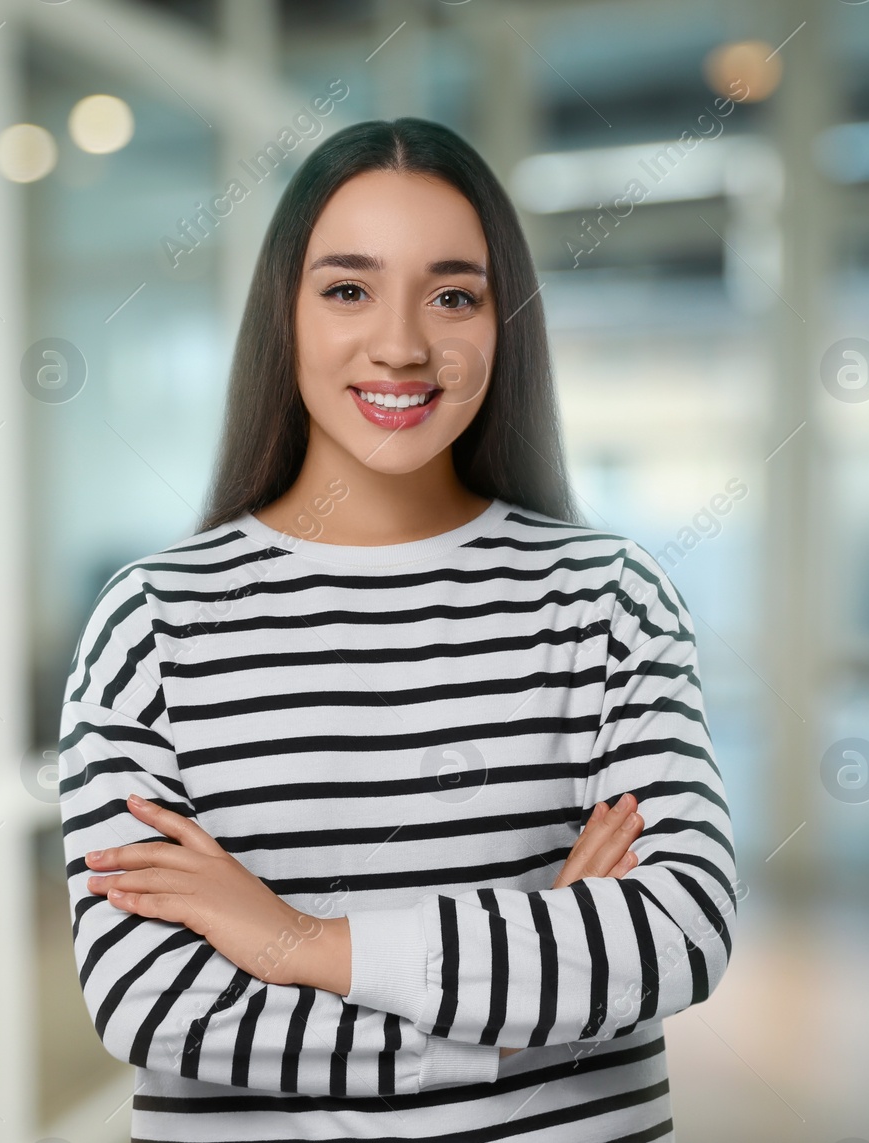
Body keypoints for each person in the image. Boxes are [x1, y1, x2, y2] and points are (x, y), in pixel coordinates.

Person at [57, 117, 737, 1142]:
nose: (402, 344)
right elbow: (153, 1002)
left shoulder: (607, 600)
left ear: (502, 321)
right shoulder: (153, 623)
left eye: (452, 294)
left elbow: (675, 931)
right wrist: (504, 1030)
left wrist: (294, 940)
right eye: (347, 288)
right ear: (282, 316)